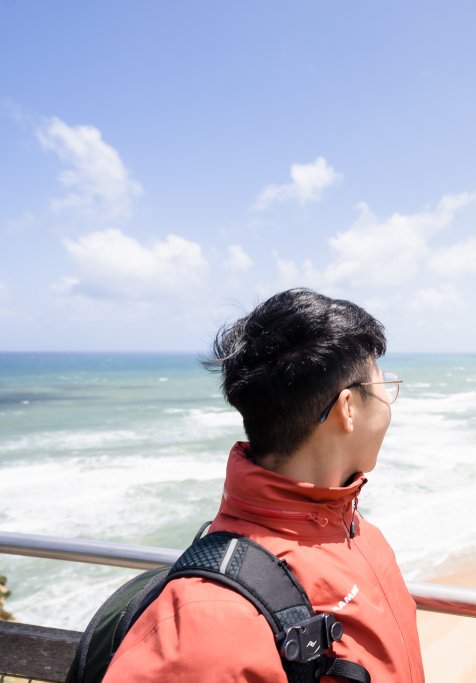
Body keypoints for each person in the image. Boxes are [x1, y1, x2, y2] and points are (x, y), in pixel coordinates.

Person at [106, 288, 425, 682]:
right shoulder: (210, 621)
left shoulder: (359, 534)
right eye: (383, 389)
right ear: (348, 408)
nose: (388, 404)